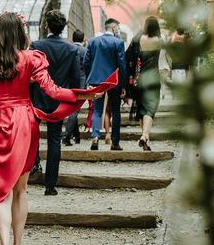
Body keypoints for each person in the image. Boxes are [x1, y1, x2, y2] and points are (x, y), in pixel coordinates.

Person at [0, 12, 103, 245]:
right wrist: (84, 94)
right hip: (24, 121)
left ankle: (3, 243)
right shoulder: (31, 59)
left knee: (2, 192)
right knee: (21, 190)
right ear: (21, 33)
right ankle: (18, 243)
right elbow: (53, 91)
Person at [30, 11, 83, 196]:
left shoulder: (36, 45)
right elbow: (76, 77)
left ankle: (34, 164)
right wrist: (74, 98)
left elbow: (28, 72)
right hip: (57, 101)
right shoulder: (71, 49)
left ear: (47, 26)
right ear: (63, 28)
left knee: (32, 136)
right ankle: (50, 186)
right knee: (54, 141)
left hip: (36, 98)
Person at [83, 18, 128, 151]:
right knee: (115, 111)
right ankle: (115, 142)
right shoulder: (118, 42)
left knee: (96, 110)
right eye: (118, 28)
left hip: (97, 81)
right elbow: (122, 65)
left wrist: (90, 78)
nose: (118, 30)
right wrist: (123, 85)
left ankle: (95, 137)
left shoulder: (93, 41)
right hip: (113, 82)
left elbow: (86, 62)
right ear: (113, 28)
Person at [126, 16, 164, 151]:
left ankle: (146, 140)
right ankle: (145, 135)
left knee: (142, 110)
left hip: (139, 79)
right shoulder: (159, 41)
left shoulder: (138, 39)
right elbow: (164, 61)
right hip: (153, 78)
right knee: (150, 109)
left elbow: (128, 56)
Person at [63, 29, 87, 146]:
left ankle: (76, 136)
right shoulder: (85, 50)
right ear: (83, 39)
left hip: (68, 83)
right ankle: (66, 136)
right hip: (81, 83)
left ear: (72, 38)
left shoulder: (68, 49)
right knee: (75, 110)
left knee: (73, 109)